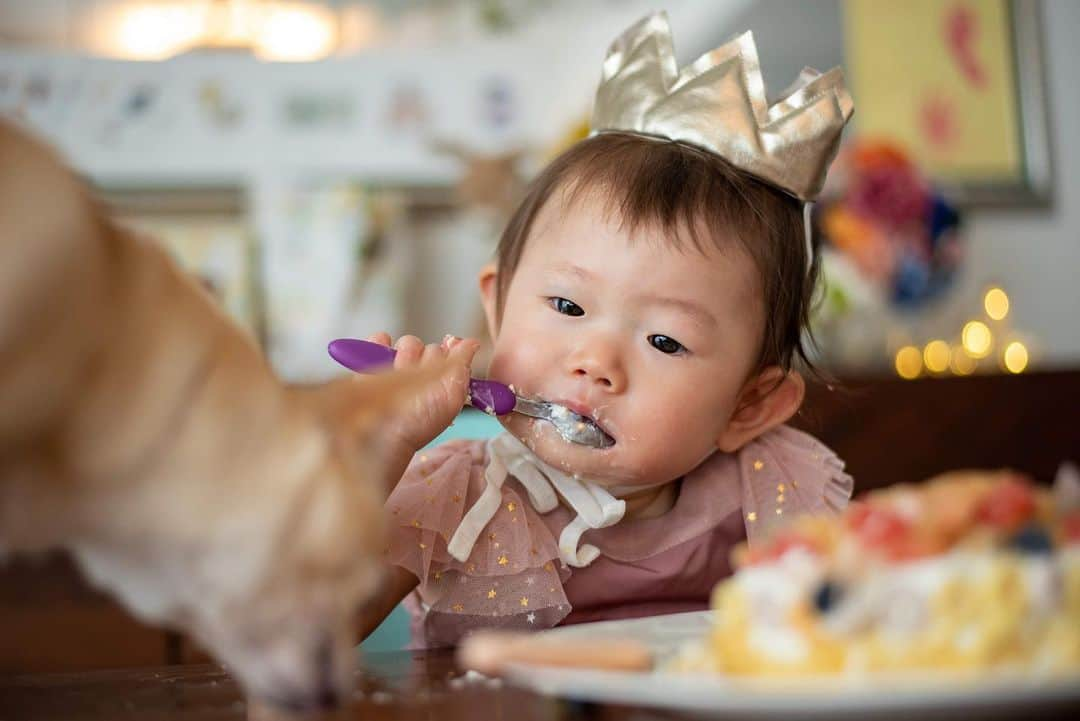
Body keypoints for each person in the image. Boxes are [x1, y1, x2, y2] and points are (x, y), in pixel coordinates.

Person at [358, 12, 855, 647]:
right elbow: (312, 632)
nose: (596, 361)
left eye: (665, 341)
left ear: (750, 404)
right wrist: (379, 461)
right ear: (499, 303)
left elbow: (847, 635)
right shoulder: (454, 496)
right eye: (567, 306)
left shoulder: (774, 488)